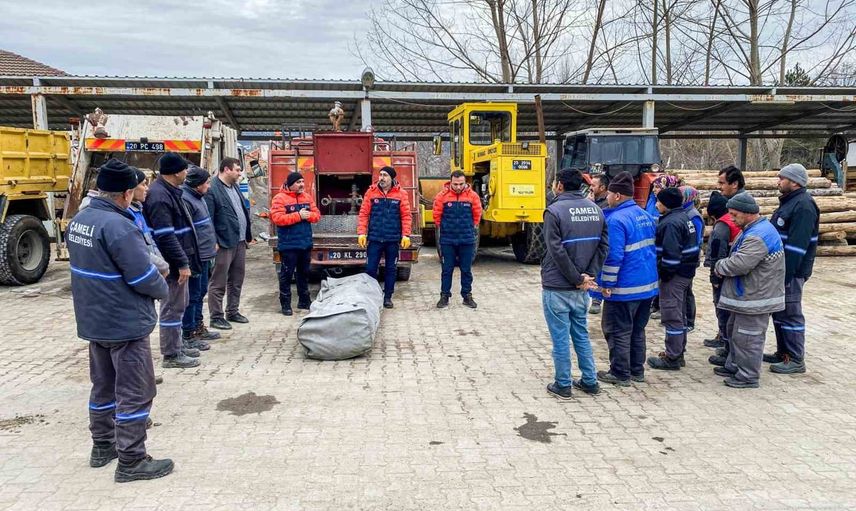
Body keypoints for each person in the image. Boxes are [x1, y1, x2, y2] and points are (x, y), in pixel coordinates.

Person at [67, 159, 174, 482]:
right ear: (126, 193)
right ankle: (132, 460)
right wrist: (163, 289)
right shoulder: (119, 227)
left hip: (94, 319)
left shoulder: (81, 220)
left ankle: (103, 446)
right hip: (124, 322)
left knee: (103, 386)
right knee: (135, 391)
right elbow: (142, 275)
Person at [541, 168, 609, 400]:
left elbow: (556, 251)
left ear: (559, 185)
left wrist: (577, 278)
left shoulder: (553, 211)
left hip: (558, 286)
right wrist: (588, 276)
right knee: (580, 333)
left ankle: (563, 384)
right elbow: (603, 246)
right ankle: (590, 381)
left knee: (560, 338)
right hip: (582, 287)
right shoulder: (596, 210)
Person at [593, 172, 658, 386]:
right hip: (646, 286)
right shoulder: (644, 215)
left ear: (618, 195)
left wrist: (607, 285)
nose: (607, 197)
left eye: (610, 193)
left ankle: (620, 373)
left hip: (624, 288)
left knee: (617, 330)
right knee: (637, 330)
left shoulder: (615, 220)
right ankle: (636, 370)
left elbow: (613, 256)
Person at [713, 192, 785, 388]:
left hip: (756, 297)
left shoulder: (758, 235)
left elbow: (740, 264)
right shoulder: (754, 229)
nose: (731, 219)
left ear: (748, 213)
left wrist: (719, 266)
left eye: (734, 214)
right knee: (735, 332)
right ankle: (735, 365)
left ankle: (748, 375)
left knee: (748, 337)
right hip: (747, 295)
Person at [143, 152, 200, 369]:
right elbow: (165, 236)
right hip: (172, 265)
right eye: (184, 169)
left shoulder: (170, 191)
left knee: (179, 305)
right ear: (176, 172)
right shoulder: (159, 197)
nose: (187, 173)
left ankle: (177, 345)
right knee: (172, 308)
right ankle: (171, 354)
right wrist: (182, 263)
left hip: (178, 260)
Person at [765, 163, 819, 374]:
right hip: (780, 270)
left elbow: (797, 247)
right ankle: (783, 353)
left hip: (791, 272)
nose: (778, 181)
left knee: (791, 313)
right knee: (780, 313)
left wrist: (785, 276)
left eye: (782, 178)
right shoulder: (789, 202)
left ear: (795, 182)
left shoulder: (804, 206)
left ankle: (796, 358)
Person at [648, 187, 699, 370]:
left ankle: (672, 357)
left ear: (667, 204)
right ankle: (678, 352)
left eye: (659, 201)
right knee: (680, 313)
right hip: (686, 273)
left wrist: (664, 275)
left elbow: (671, 255)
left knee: (672, 315)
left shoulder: (670, 223)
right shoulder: (684, 217)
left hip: (674, 276)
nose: (656, 205)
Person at [205, 157, 254, 330]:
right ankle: (216, 316)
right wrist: (213, 240)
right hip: (223, 243)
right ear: (226, 169)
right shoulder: (213, 189)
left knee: (237, 279)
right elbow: (208, 218)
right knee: (218, 281)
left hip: (239, 241)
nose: (240, 173)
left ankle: (232, 311)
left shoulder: (234, 187)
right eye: (237, 170)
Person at [358, 165, 412, 309]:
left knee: (390, 269)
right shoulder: (371, 192)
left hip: (392, 239)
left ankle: (387, 297)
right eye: (380, 175)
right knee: (370, 269)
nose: (381, 178)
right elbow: (364, 214)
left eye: (385, 175)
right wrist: (362, 233)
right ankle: (372, 297)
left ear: (392, 178)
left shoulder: (401, 194)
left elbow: (406, 216)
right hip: (375, 239)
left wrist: (406, 235)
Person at [270, 172, 321, 316]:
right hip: (289, 245)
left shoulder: (307, 197)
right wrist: (298, 216)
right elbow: (277, 218)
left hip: (305, 244)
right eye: (298, 182)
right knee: (286, 275)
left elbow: (317, 215)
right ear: (290, 184)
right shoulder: (280, 198)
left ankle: (304, 301)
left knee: (303, 274)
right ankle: (285, 304)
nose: (302, 185)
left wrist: (309, 215)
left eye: (302, 182)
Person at [180, 166, 220, 346]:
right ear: (197, 185)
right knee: (193, 295)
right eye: (207, 183)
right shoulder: (186, 200)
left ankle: (198, 326)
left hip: (205, 255)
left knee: (201, 292)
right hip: (195, 257)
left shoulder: (198, 197)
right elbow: (189, 232)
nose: (209, 186)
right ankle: (188, 333)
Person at [432, 170, 482, 309]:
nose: (458, 187)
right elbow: (436, 216)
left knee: (466, 270)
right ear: (450, 182)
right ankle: (444, 296)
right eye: (455, 184)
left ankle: (467, 296)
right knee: (447, 270)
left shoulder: (473, 196)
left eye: (461, 184)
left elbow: (477, 215)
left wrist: (469, 229)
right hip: (447, 240)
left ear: (465, 182)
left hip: (467, 240)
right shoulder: (442, 196)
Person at [703, 192, 741, 366]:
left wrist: (715, 277)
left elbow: (718, 254)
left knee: (723, 309)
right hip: (732, 272)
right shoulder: (730, 221)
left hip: (724, 274)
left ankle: (727, 350)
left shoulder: (721, 227)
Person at [680, 186, 703, 332]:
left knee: (687, 290)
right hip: (685, 256)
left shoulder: (693, 215)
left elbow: (696, 239)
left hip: (690, 257)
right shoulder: (685, 212)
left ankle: (689, 321)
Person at [588, 173, 610, 314]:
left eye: (593, 185)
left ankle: (597, 299)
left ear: (602, 187)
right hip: (591, 242)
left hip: (603, 242)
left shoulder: (607, 204)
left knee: (601, 270)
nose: (590, 187)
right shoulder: (590, 200)